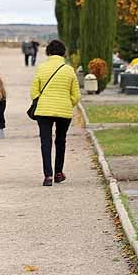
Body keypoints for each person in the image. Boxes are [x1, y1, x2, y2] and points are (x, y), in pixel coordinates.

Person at [30, 39, 80, 186]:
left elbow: (34, 92)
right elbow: (76, 95)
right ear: (63, 52)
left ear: (48, 52)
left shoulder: (41, 68)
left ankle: (48, 176)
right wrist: (67, 102)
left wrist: (43, 100)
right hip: (64, 111)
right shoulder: (69, 69)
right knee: (60, 141)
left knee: (45, 142)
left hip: (44, 110)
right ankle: (59, 172)